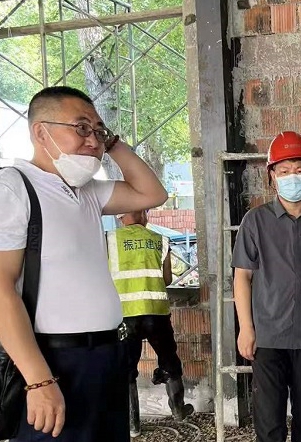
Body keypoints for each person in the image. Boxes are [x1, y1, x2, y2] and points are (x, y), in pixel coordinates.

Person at [0, 86, 168, 442]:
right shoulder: (14, 188)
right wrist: (38, 379)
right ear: (41, 132)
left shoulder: (88, 191)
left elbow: (152, 193)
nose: (93, 140)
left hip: (107, 355)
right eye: (81, 128)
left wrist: (114, 143)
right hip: (54, 361)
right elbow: (1, 288)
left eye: (98, 130)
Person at [231, 131, 301, 442]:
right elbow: (242, 277)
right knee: (269, 421)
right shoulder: (256, 221)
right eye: (284, 170)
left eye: (299, 170)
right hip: (268, 337)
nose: (293, 176)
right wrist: (246, 328)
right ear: (272, 176)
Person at [106, 209, 194, 438]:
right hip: (156, 313)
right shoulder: (160, 240)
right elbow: (167, 279)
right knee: (169, 359)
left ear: (120, 216)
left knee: (126, 370)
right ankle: (178, 410)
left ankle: (132, 425)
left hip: (125, 315)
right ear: (144, 215)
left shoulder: (109, 240)